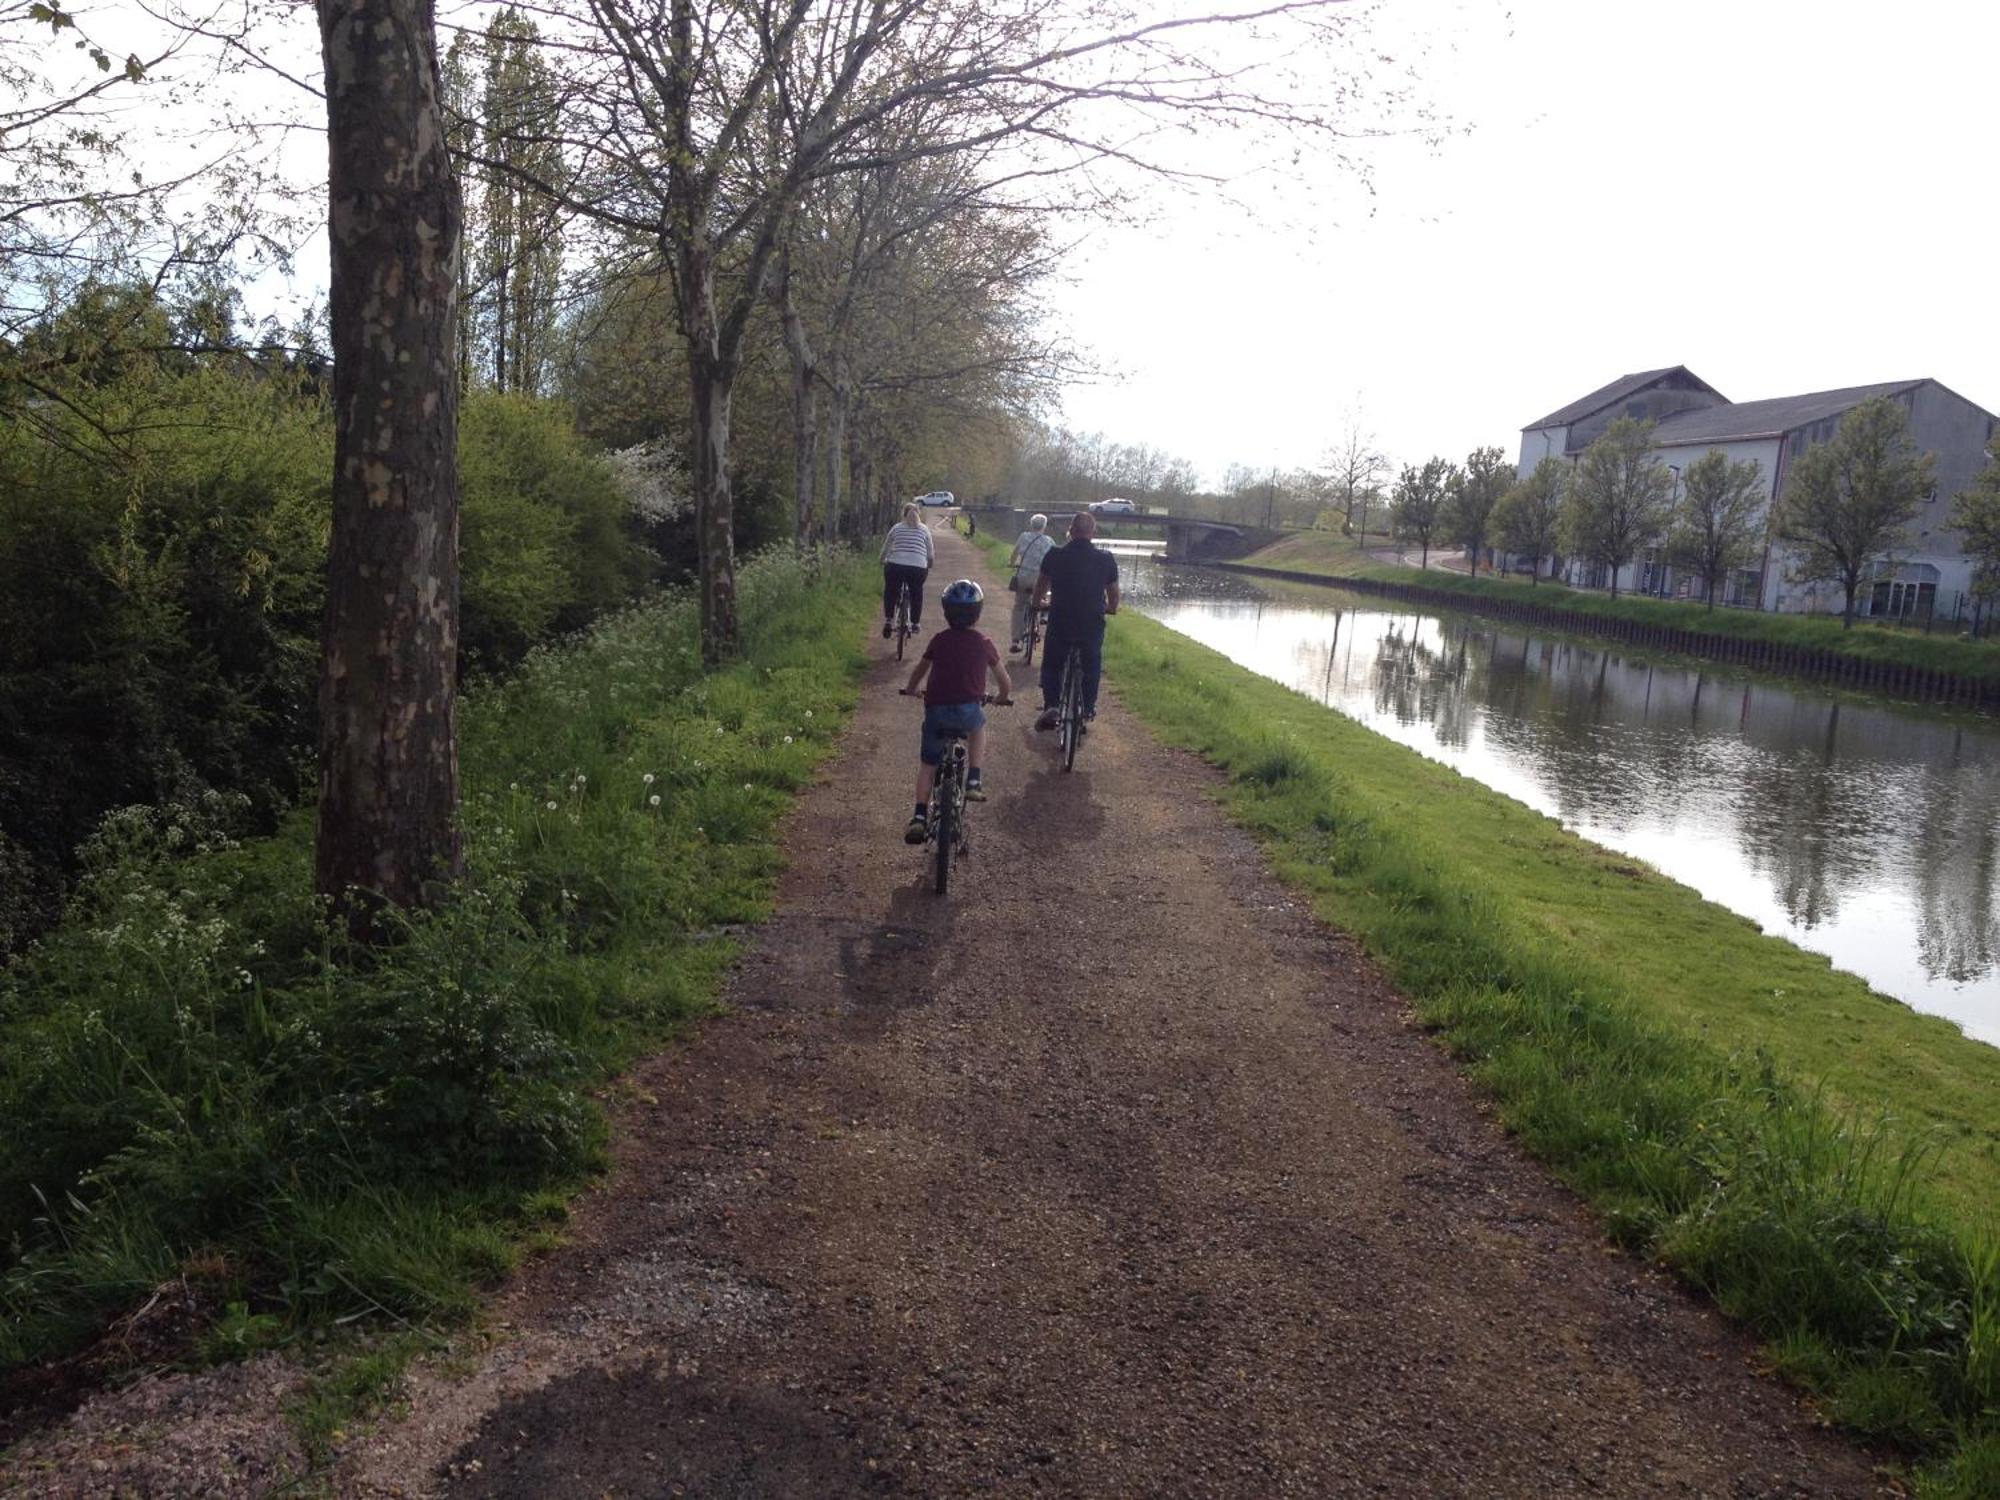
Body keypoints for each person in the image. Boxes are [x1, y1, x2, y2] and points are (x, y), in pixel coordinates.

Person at [900, 580, 1012, 843]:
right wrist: (1001, 698)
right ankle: (974, 779)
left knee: (928, 764)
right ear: (978, 613)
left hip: (936, 710)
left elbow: (920, 671)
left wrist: (912, 689)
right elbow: (1005, 682)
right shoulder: (984, 643)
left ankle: (918, 816)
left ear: (945, 612)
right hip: (968, 709)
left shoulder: (939, 640)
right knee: (978, 728)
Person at [1033, 511, 1119, 731]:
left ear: (1070, 531)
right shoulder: (1106, 558)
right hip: (1091, 621)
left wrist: (1038, 602)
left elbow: (1041, 585)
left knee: (1052, 662)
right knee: (1092, 662)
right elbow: (1113, 593)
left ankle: (1052, 704)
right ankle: (1088, 707)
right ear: (1093, 532)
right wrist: (1111, 608)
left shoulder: (1054, 554)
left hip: (1061, 619)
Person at [880, 502, 934, 638]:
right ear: (918, 515)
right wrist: (929, 565)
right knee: (917, 593)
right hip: (917, 568)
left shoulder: (896, 528)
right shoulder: (924, 529)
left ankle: (889, 620)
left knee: (890, 591)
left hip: (895, 565)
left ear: (903, 515)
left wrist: (881, 560)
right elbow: (930, 554)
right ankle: (915, 623)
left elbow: (886, 547)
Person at [1006, 513, 1056, 653]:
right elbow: (1054, 560)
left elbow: (1014, 554)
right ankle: (1043, 613)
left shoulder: (1024, 536)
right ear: (1044, 527)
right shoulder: (1050, 541)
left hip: (1024, 577)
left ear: (1031, 524)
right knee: (1042, 596)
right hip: (1042, 580)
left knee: (1019, 607)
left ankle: (1016, 641)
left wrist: (1011, 563)